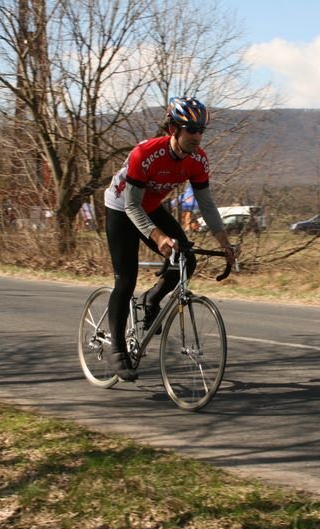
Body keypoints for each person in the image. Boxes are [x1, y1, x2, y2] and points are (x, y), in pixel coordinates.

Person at [103, 96, 238, 381]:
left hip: (150, 207)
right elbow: (131, 206)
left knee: (186, 258)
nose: (197, 136)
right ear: (173, 129)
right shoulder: (146, 154)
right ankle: (116, 347)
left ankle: (152, 300)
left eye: (202, 130)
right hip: (121, 208)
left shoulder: (198, 159)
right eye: (191, 129)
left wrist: (224, 243)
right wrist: (158, 236)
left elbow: (207, 204)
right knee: (125, 280)